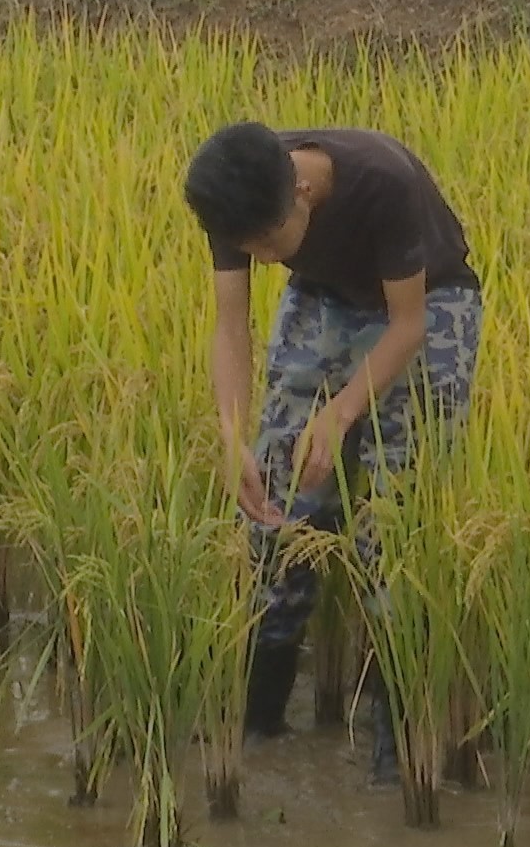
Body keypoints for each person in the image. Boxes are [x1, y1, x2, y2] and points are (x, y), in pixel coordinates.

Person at [182, 121, 484, 785]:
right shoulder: (235, 190)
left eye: (268, 244)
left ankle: (396, 747)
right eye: (247, 247)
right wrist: (233, 438)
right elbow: (231, 328)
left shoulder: (383, 184)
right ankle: (259, 716)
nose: (260, 259)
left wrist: (342, 413)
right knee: (276, 502)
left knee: (395, 525)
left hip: (428, 302)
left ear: (305, 193)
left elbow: (406, 328)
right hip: (325, 299)